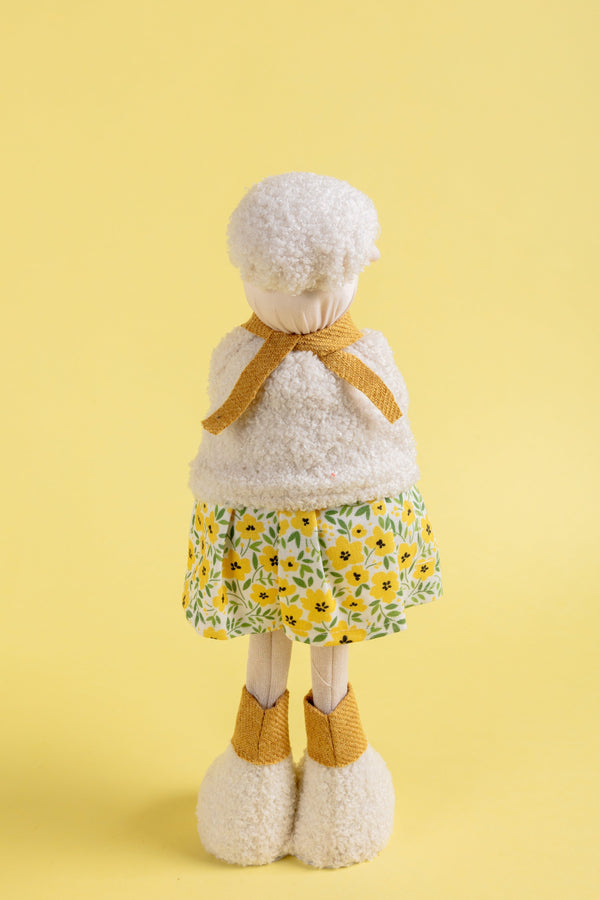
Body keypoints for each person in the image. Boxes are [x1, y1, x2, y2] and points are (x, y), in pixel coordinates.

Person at [182, 171, 443, 868]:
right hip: (293, 536)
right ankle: (295, 780)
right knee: (296, 654)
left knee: (290, 654)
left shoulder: (339, 355)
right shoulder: (262, 355)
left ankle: (294, 781)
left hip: (302, 537)